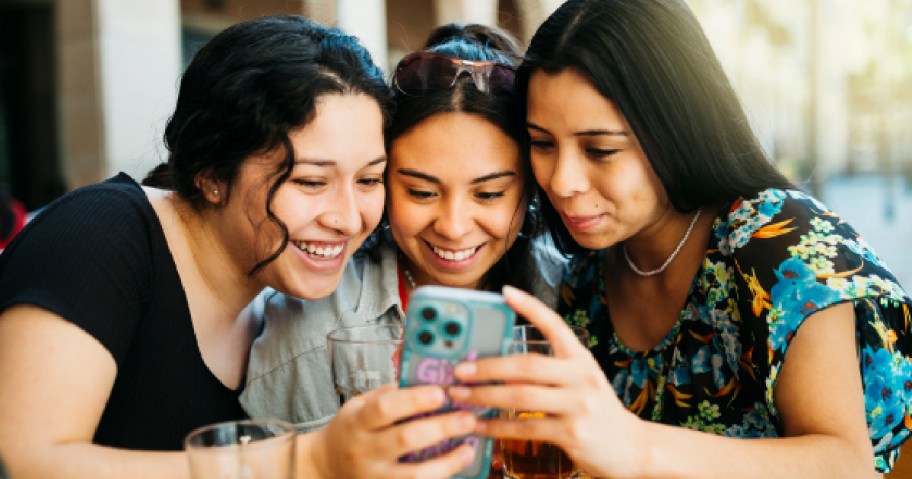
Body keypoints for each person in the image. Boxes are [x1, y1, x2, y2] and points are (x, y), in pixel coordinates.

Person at [447, 1, 912, 477]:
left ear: (677, 131)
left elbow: (846, 464)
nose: (562, 181)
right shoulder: (585, 275)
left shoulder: (780, 242)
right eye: (542, 144)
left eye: (600, 149)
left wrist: (632, 444)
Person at [0, 16, 476, 479]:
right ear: (210, 173)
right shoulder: (100, 235)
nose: (349, 219)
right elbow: (25, 463)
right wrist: (312, 462)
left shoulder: (284, 293)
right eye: (311, 181)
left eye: (369, 179)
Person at [241, 23, 564, 431]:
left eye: (488, 194)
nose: (453, 226)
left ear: (530, 186)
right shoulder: (316, 329)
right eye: (422, 192)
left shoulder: (571, 295)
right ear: (382, 181)